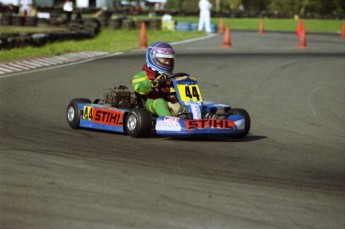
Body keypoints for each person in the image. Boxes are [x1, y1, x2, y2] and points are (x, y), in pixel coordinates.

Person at [131, 42, 188, 118]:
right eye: (164, 60)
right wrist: (154, 83)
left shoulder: (171, 77)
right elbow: (138, 86)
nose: (167, 63)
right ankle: (169, 121)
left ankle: (204, 116)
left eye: (169, 60)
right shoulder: (144, 75)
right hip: (152, 102)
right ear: (152, 58)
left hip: (170, 101)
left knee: (189, 102)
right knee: (160, 102)